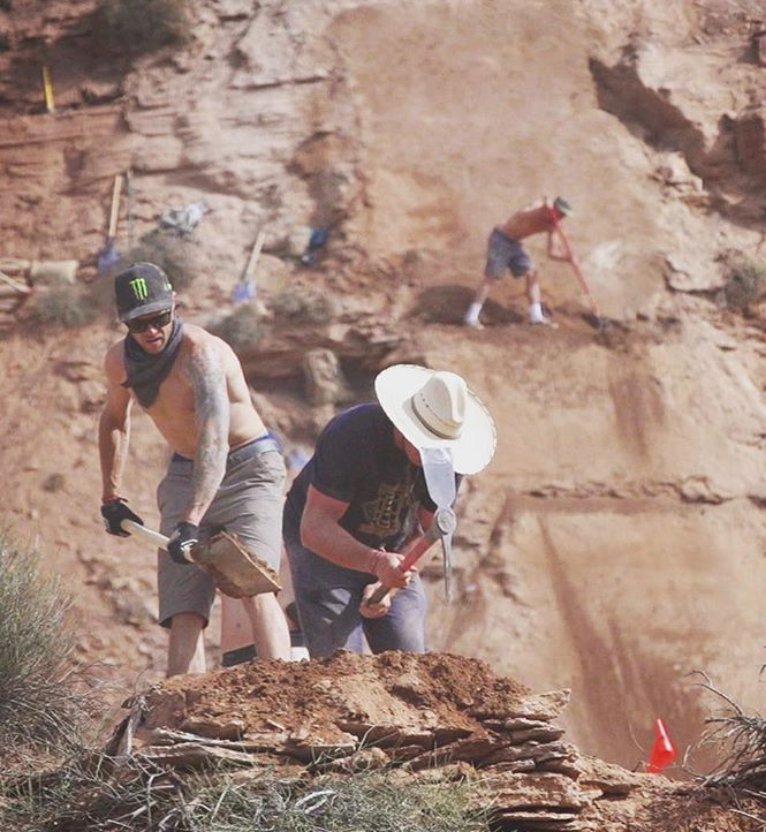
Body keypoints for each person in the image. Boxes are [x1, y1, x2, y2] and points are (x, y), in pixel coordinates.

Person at [98, 262, 293, 676]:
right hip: (186, 472)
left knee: (255, 584)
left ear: (174, 306)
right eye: (138, 324)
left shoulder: (201, 354)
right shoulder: (120, 362)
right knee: (182, 605)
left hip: (248, 468)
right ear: (124, 322)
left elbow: (214, 440)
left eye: (159, 317)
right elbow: (114, 419)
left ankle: (283, 689)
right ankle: (183, 702)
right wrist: (111, 495)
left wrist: (191, 520)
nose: (152, 331)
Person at [282, 365, 497, 659]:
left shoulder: (448, 459)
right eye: (426, 445)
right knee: (341, 663)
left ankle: (310, 614)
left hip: (393, 552)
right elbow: (315, 528)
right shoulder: (352, 434)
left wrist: (389, 584)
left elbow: (431, 531)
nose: (432, 456)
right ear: (405, 426)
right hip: (324, 548)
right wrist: (375, 562)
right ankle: (308, 614)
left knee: (410, 661)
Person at [464, 195, 574, 329]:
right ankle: (471, 317)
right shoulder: (538, 207)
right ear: (555, 209)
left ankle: (536, 317)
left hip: (514, 244)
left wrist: (568, 258)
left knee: (532, 273)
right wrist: (545, 208)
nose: (563, 217)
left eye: (565, 215)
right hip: (500, 238)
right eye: (561, 214)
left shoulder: (552, 226)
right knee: (492, 277)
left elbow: (552, 252)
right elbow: (525, 212)